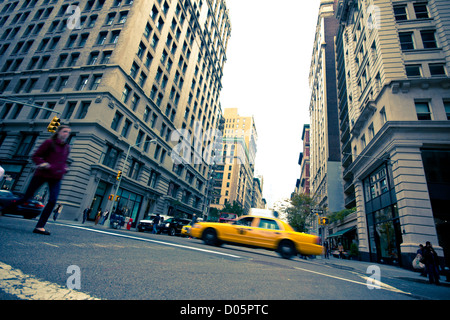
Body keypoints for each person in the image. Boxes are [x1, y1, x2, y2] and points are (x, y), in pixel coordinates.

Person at [6, 125, 71, 235]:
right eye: (64, 131)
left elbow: (63, 161)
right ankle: (4, 208)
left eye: (68, 132)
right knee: (26, 198)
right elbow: (35, 156)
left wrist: (65, 168)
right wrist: (42, 163)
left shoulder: (67, 147)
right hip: (42, 174)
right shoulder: (49, 143)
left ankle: (40, 226)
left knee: (52, 201)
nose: (66, 134)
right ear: (59, 132)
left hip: (56, 177)